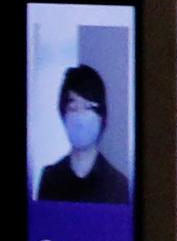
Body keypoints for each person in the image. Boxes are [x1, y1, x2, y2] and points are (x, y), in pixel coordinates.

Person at [36, 62, 131, 204]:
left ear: (101, 116)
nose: (80, 116)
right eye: (73, 107)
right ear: (63, 114)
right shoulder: (50, 178)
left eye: (87, 107)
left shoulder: (118, 185)